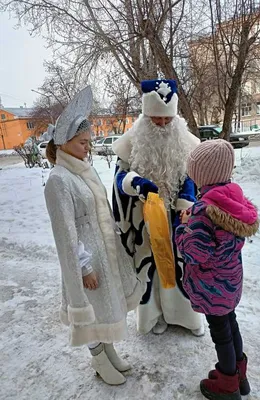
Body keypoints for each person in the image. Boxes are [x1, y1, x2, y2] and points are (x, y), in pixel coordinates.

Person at [44, 86, 143, 386]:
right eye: (83, 142)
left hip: (102, 254)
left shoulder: (82, 172)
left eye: (89, 142)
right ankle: (99, 359)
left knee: (104, 308)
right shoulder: (58, 180)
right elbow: (65, 234)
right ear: (65, 142)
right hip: (84, 263)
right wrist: (84, 267)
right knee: (88, 314)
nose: (88, 148)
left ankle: (108, 351)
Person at [112, 79, 205, 336]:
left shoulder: (187, 142)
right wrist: (136, 183)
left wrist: (186, 201)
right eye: (156, 120)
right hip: (145, 219)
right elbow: (119, 179)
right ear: (145, 116)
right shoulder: (131, 142)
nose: (162, 125)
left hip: (179, 216)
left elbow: (193, 176)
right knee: (150, 267)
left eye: (167, 120)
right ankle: (156, 316)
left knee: (181, 266)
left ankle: (187, 318)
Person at [175, 139, 259, 400]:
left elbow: (194, 253)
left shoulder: (203, 211)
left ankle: (227, 383)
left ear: (202, 175)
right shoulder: (234, 198)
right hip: (231, 283)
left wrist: (184, 228)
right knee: (231, 324)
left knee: (221, 334)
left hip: (212, 287)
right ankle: (239, 375)